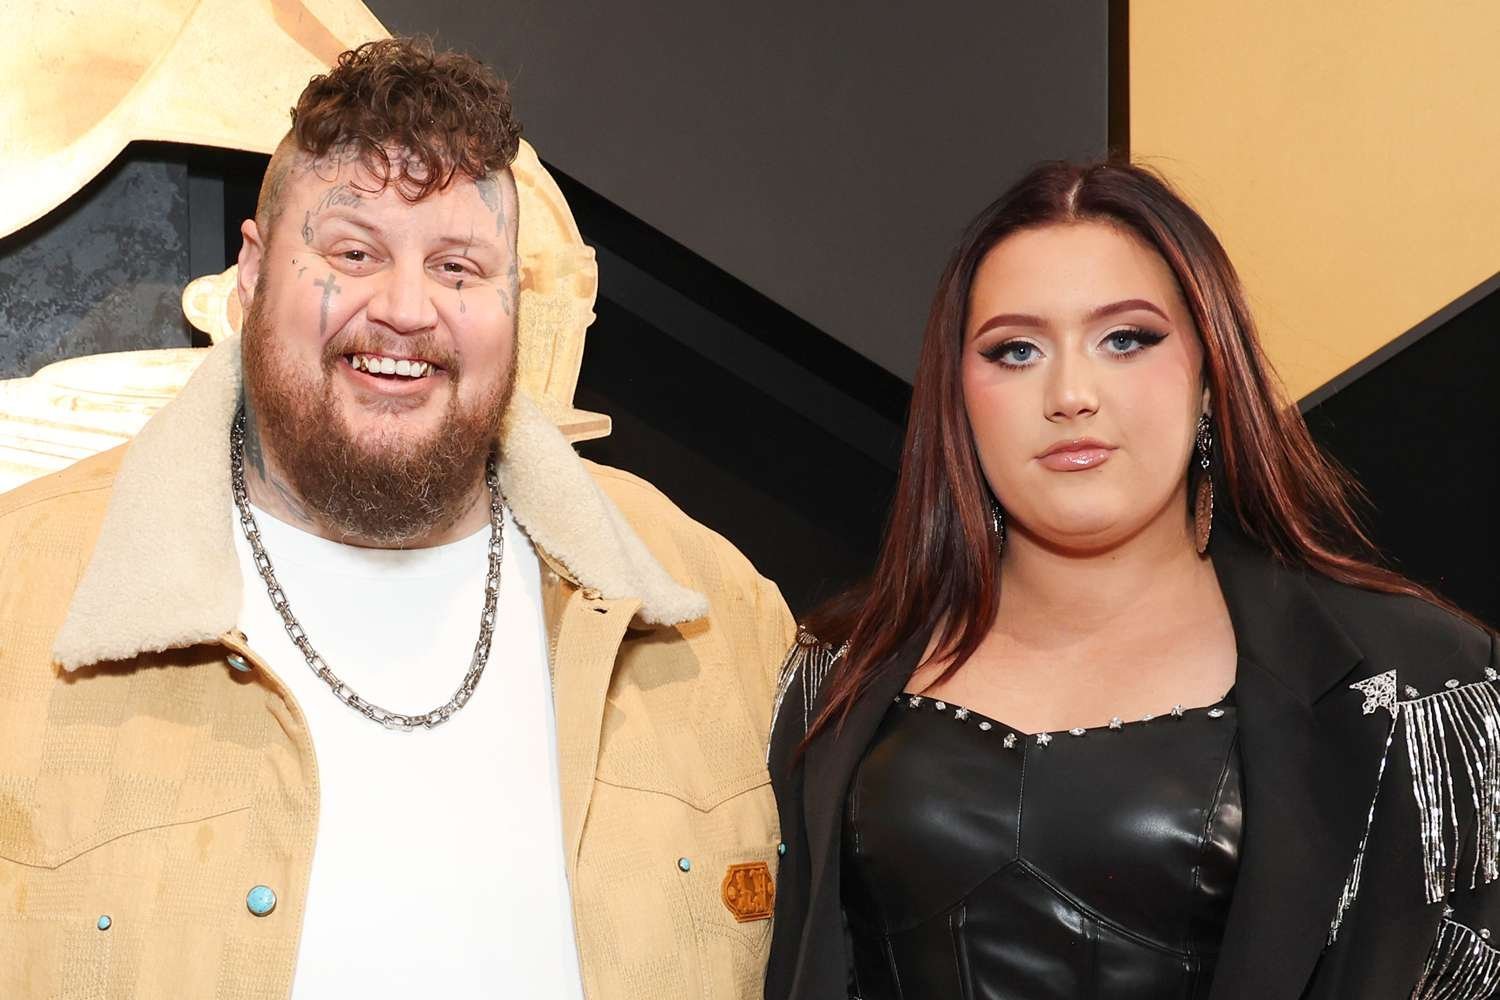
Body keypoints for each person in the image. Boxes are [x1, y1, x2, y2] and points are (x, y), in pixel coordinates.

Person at [0, 38, 791, 1000]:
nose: (407, 309)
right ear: (251, 273)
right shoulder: (19, 596)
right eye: (354, 253)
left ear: (514, 299)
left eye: (457, 267)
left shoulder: (718, 610)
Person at [765, 161, 1500, 1000]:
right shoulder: (832, 674)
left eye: (1126, 339)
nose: (1071, 394)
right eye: (1015, 350)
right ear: (957, 398)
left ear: (1210, 375)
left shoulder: (1425, 687)